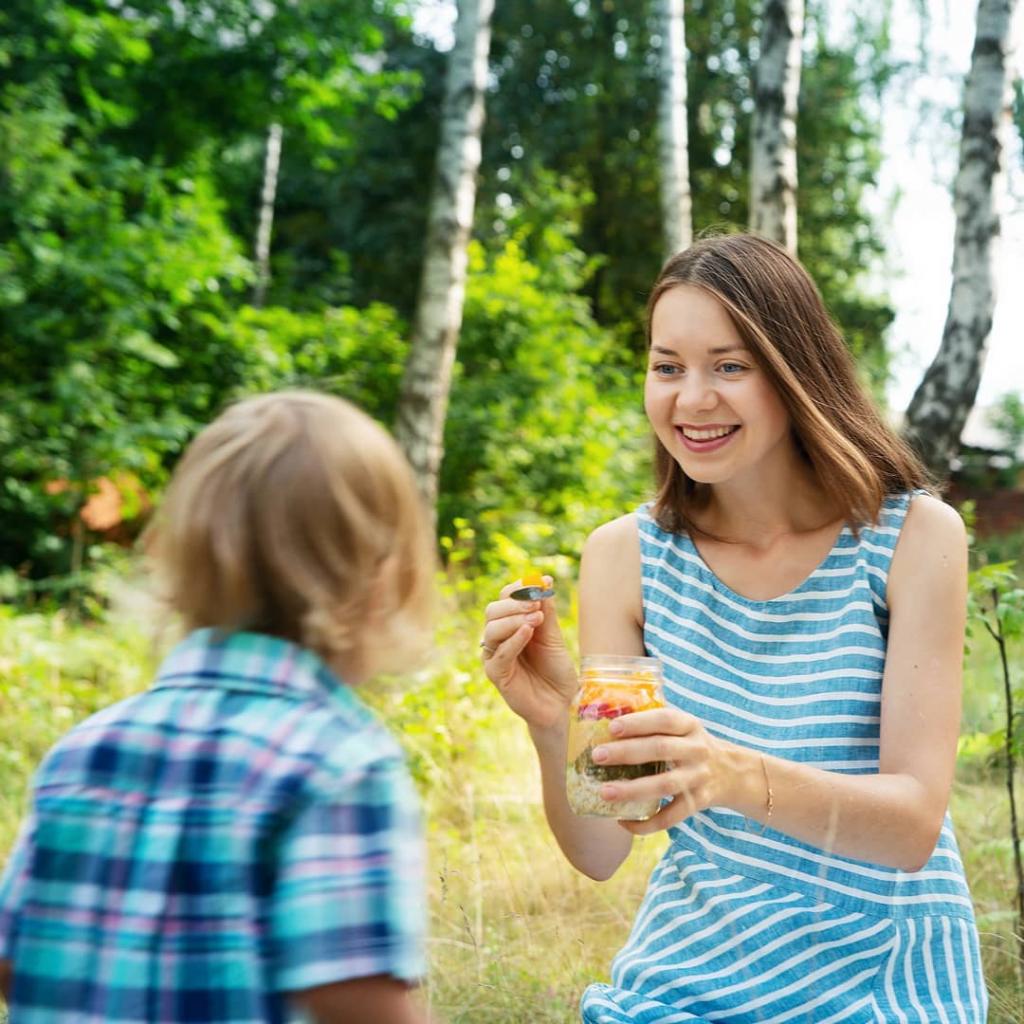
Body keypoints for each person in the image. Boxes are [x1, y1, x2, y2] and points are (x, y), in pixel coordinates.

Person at [481, 234, 987, 1022]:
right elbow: (602, 850)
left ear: (794, 374)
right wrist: (555, 724)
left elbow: (913, 826)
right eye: (667, 367)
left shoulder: (913, 538)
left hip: (880, 971)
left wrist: (728, 774)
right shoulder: (625, 557)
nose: (690, 401)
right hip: (690, 971)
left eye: (729, 366)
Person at [0, 391, 437, 1024]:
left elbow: (15, 960)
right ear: (381, 577)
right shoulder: (341, 763)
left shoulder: (85, 748)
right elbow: (356, 1001)